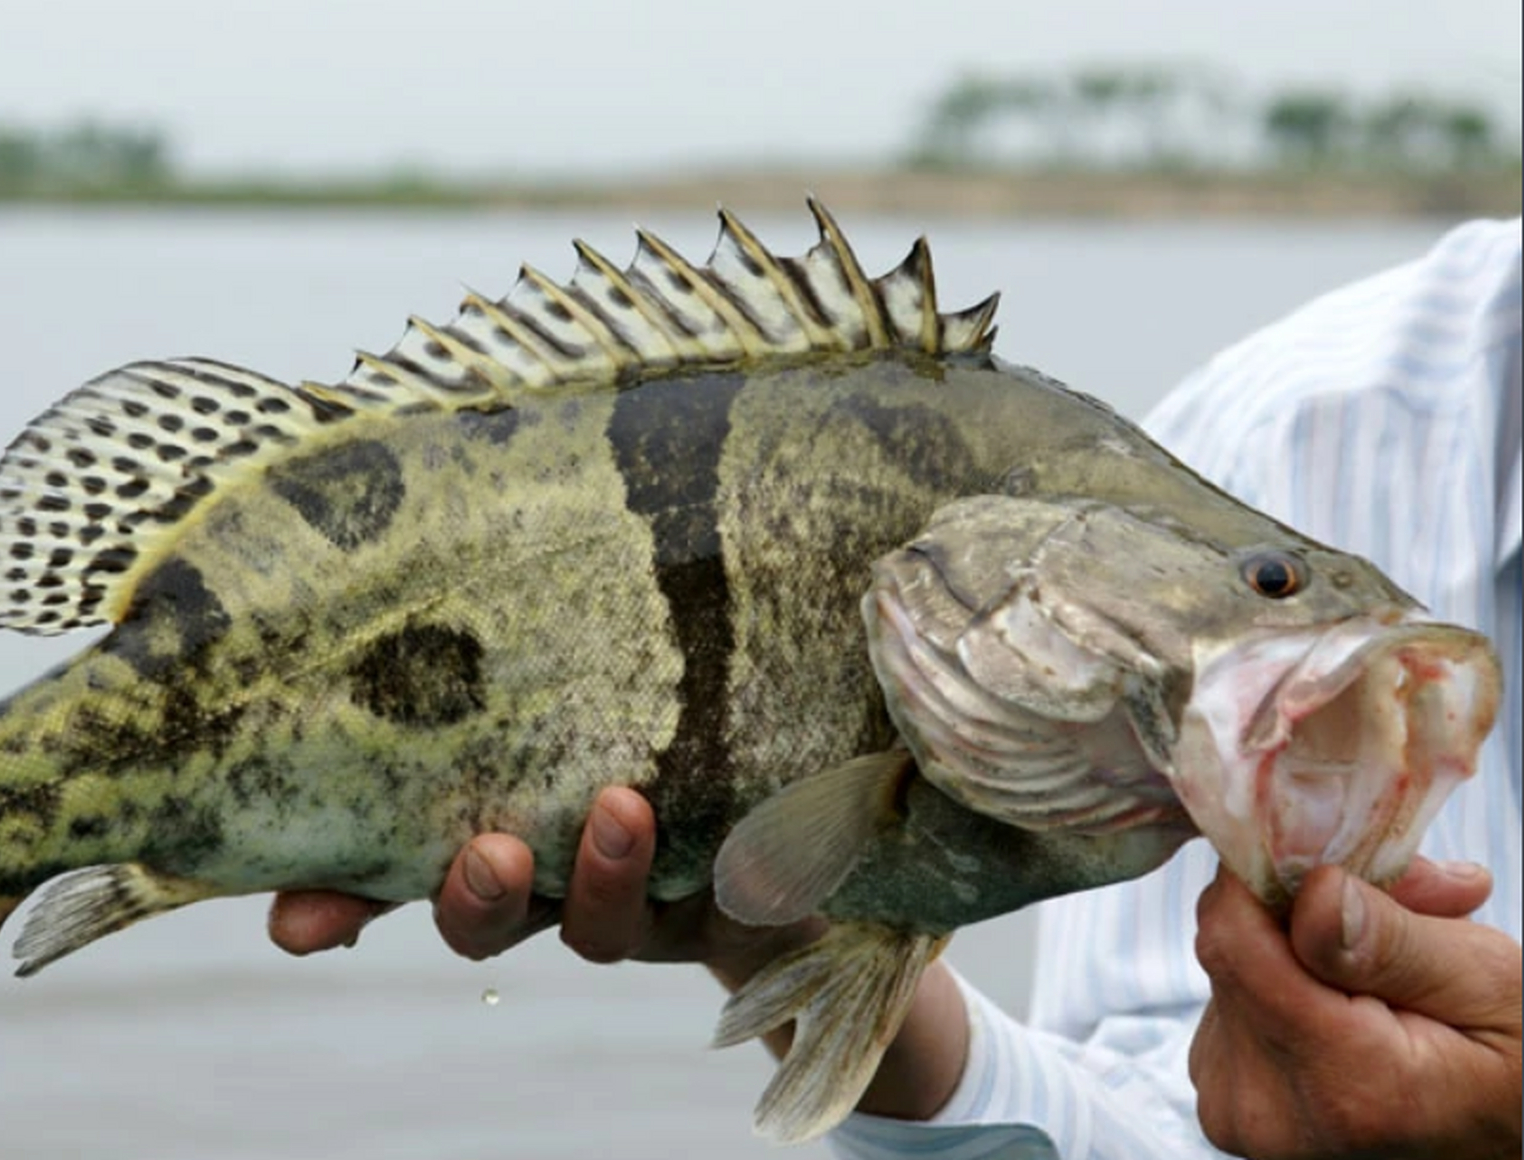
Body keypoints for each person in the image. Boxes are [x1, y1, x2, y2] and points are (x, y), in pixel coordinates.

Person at [270, 218, 1522, 1158]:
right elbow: (1159, 1109)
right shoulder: (1285, 425)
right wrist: (808, 941)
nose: (1307, 618)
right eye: (1268, 579)